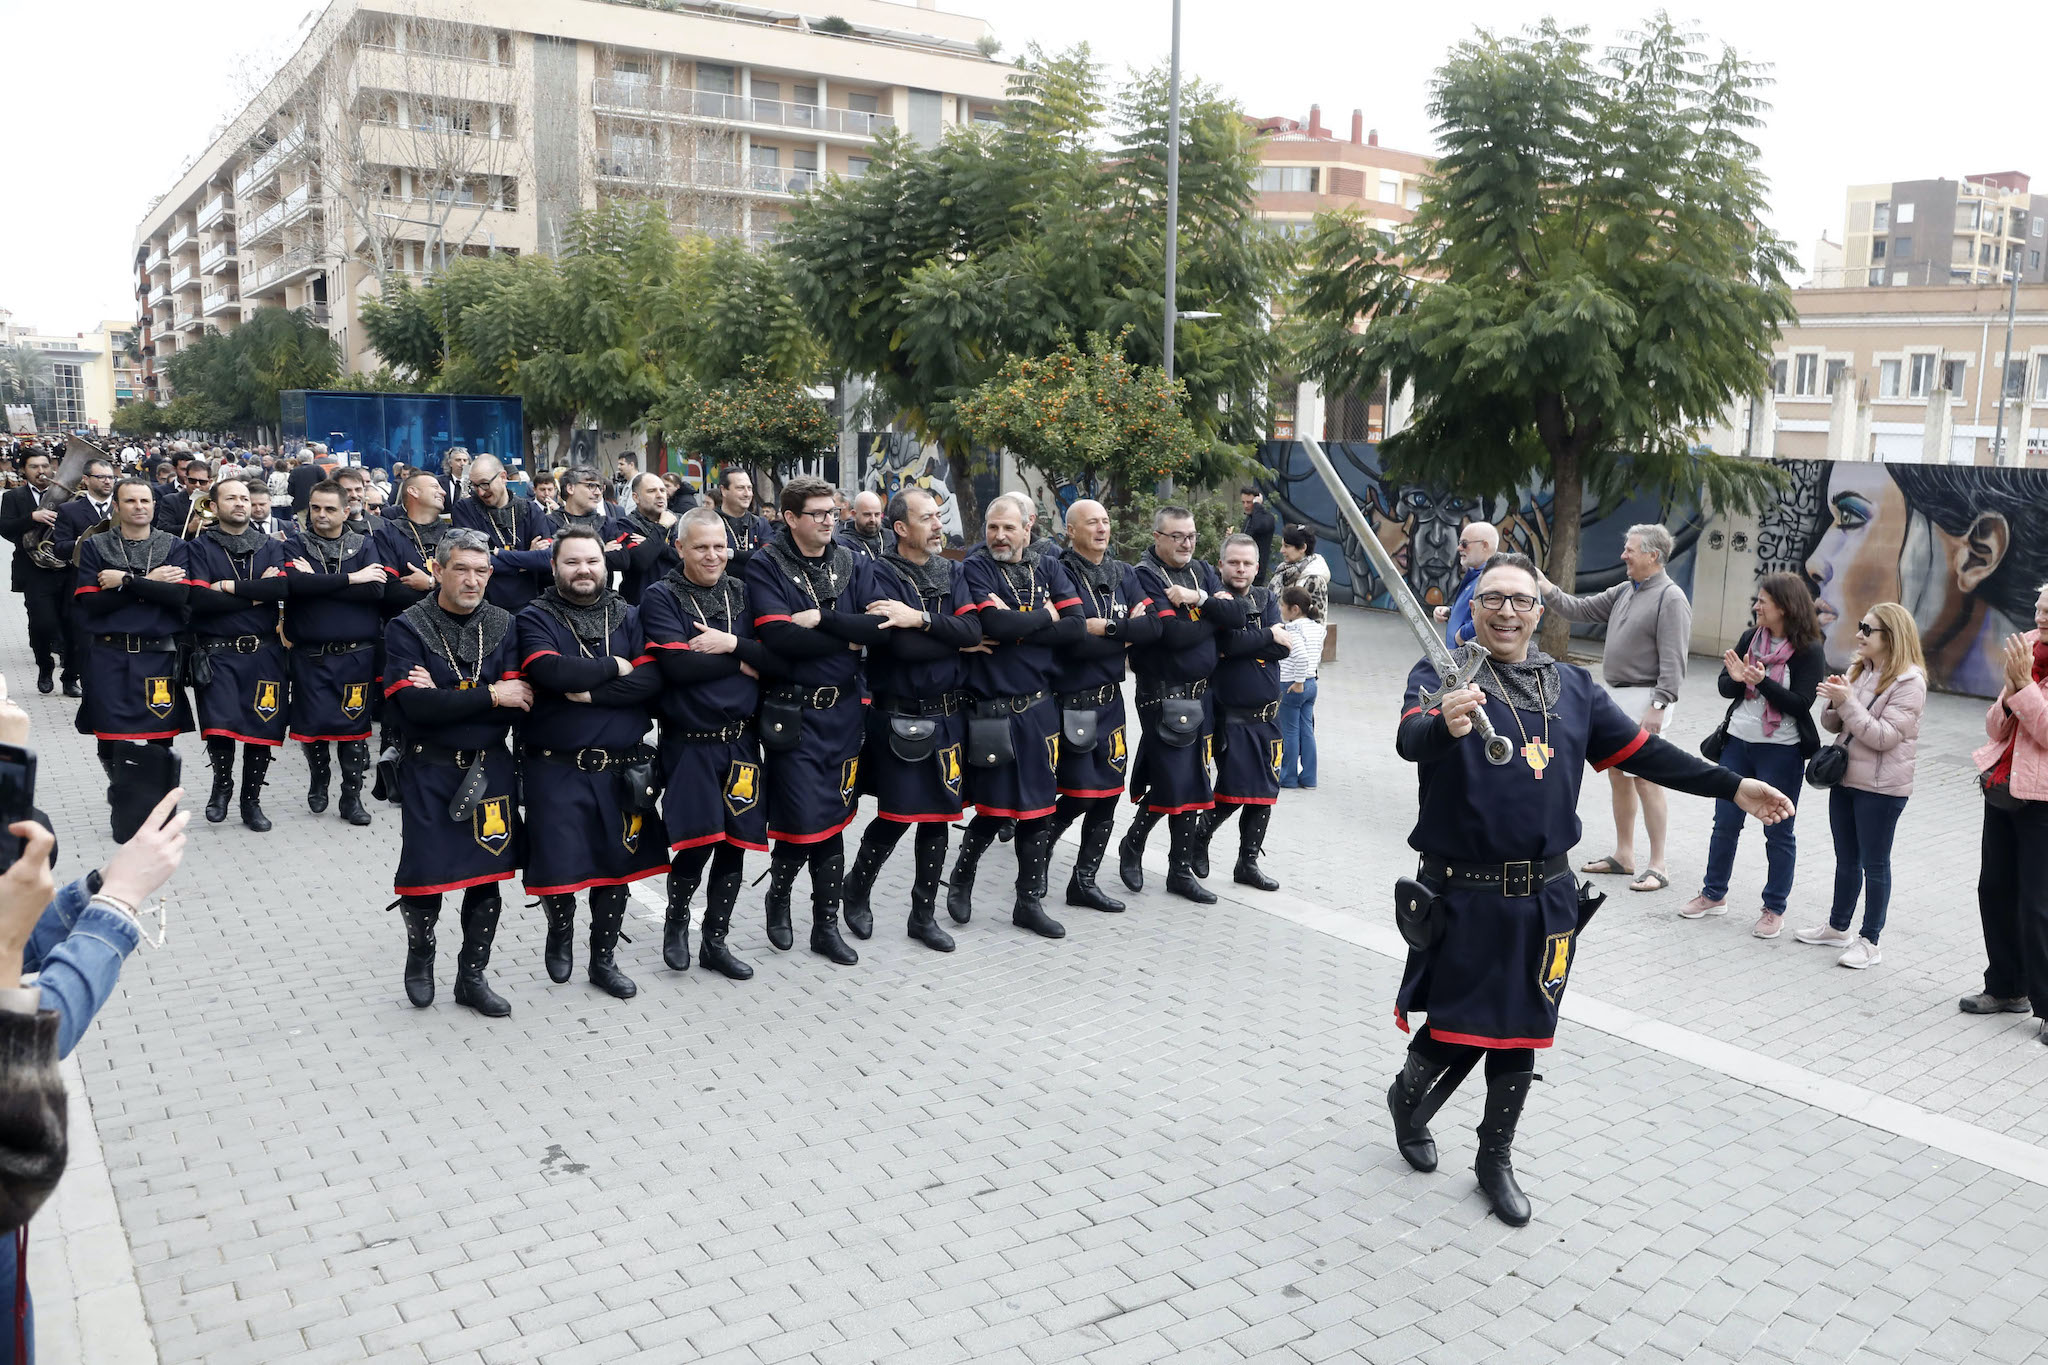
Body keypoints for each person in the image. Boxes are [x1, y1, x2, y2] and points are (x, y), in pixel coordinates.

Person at [1389, 552, 1793, 1224]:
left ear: (1539, 611)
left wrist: (1734, 784)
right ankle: (1407, 1097)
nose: (1508, 611)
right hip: (1464, 892)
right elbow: (1409, 739)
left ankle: (1495, 1157)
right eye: (1493, 598)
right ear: (1475, 607)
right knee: (1457, 1025)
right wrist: (1444, 723)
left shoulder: (1572, 689)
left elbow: (1644, 754)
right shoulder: (1442, 672)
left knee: (1522, 1031)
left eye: (1521, 600)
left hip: (1545, 896)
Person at [383, 530, 533, 1017]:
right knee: (425, 877)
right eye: (462, 569)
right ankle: (421, 956)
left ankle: (472, 976)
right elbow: (412, 707)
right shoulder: (407, 626)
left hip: (491, 768)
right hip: (429, 769)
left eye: (481, 570)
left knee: (486, 877)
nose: (472, 580)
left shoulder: (505, 624)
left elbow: (521, 705)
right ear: (440, 568)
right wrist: (490, 694)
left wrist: (446, 694)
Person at [744, 476, 889, 965]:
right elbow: (778, 638)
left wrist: (823, 620)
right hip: (795, 713)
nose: (831, 520)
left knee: (836, 819)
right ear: (790, 518)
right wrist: (847, 638)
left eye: (834, 512)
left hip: (845, 712)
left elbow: (879, 627)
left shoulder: (852, 560)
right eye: (819, 513)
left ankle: (825, 925)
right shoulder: (766, 564)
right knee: (805, 820)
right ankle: (779, 896)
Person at [516, 530, 666, 999]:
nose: (584, 570)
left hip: (621, 767)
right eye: (573, 562)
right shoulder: (532, 617)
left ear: (606, 565)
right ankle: (560, 931)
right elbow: (551, 672)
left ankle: (604, 960)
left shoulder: (631, 614)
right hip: (556, 765)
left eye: (592, 561)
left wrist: (592, 692)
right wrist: (617, 667)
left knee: (615, 867)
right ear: (553, 566)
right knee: (559, 864)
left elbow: (654, 678)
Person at [840, 487, 983, 950]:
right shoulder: (876, 573)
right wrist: (949, 637)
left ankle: (923, 916)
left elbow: (972, 630)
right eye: (927, 518)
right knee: (897, 815)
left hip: (949, 718)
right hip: (898, 714)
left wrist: (920, 620)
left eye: (938, 517)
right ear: (900, 528)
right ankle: (856, 888)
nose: (939, 525)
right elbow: (896, 646)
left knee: (940, 815)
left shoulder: (954, 571)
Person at [640, 509, 776, 980]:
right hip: (689, 745)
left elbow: (775, 656)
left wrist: (730, 646)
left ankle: (715, 941)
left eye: (720, 546)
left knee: (735, 845)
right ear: (680, 549)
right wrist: (741, 658)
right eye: (701, 547)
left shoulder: (743, 591)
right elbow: (677, 667)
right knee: (698, 843)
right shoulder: (659, 596)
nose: (713, 555)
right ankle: (676, 924)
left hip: (740, 744)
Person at [1537, 524, 1692, 894]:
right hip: (1618, 697)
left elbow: (1675, 660)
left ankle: (1658, 864)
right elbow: (1579, 608)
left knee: (1646, 777)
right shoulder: (1626, 589)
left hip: (1646, 700)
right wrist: (1545, 587)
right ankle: (1625, 855)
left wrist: (1659, 704)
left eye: (1630, 549)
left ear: (1653, 556)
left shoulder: (1670, 598)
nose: (1623, 554)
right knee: (1617, 775)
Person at [1682, 573, 1827, 937]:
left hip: (1781, 751)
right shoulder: (1752, 638)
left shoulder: (1808, 649)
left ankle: (1774, 908)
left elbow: (1801, 703)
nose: (1756, 606)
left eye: (1763, 601)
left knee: (1778, 831)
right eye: (1757, 600)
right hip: (1737, 744)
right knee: (1725, 823)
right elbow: (1725, 687)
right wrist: (1736, 678)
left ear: (1785, 606)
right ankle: (1713, 894)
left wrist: (1761, 681)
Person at [1119, 505, 1247, 902]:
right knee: (1177, 780)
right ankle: (1138, 846)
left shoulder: (1201, 572)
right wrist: (1212, 614)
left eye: (1191, 536)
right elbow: (1170, 634)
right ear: (1157, 537)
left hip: (1201, 696)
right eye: (1177, 536)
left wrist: (1197, 599)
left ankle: (1176, 868)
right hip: (1163, 696)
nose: (1186, 543)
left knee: (1191, 780)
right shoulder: (1142, 575)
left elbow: (1239, 614)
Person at [1797, 602, 1926, 969]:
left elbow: (1883, 736)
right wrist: (1834, 702)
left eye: (1867, 630)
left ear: (1892, 636)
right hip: (1847, 778)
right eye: (1860, 626)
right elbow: (1839, 727)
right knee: (1846, 859)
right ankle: (1838, 927)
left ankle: (1870, 940)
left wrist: (1848, 702)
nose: (1859, 635)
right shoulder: (1861, 669)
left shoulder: (1909, 682)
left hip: (1882, 788)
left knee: (1875, 864)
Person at [1043, 500, 1157, 913]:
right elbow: (1070, 638)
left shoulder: (1125, 573)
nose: (1102, 528)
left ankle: (1084, 882)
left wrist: (1108, 628)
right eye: (1092, 522)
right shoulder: (1057, 571)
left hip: (1110, 703)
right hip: (1068, 703)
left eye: (1106, 521)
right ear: (1071, 531)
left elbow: (1153, 628)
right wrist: (1119, 639)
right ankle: (1038, 860)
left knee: (1107, 794)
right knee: (1074, 794)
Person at [73, 478, 192, 832]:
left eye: (145, 500)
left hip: (157, 656)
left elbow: (179, 598)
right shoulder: (95, 546)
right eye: (130, 501)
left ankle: (158, 810)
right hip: (110, 655)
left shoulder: (174, 545)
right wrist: (152, 584)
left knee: (159, 739)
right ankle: (123, 798)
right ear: (117, 506)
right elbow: (92, 603)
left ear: (154, 505)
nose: (139, 506)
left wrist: (127, 582)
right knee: (110, 737)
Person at [182, 477, 295, 831]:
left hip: (265, 651)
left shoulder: (271, 545)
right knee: (221, 727)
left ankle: (251, 800)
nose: (240, 504)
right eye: (230, 498)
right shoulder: (200, 547)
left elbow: (282, 587)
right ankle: (221, 788)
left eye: (244, 498)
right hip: (218, 652)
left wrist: (229, 590)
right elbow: (199, 600)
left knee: (262, 725)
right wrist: (256, 593)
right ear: (214, 507)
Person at [1966, 583, 2048, 1029]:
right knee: (1993, 890)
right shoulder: (2026, 649)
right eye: (2038, 608)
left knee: (2039, 905)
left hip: (2044, 801)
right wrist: (2013, 691)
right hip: (2004, 786)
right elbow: (1995, 727)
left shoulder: (2026, 665)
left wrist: (2022, 687)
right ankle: (2005, 986)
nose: (2041, 617)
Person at [286, 480, 391, 824]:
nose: (321, 515)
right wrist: (351, 579)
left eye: (330, 508)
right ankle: (320, 779)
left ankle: (352, 797)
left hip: (356, 654)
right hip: (311, 654)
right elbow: (295, 586)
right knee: (314, 725)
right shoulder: (296, 544)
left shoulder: (365, 544)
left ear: (347, 511)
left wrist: (319, 583)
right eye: (315, 508)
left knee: (355, 726)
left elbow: (376, 590)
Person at [1201, 534, 1294, 890]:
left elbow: (1282, 649)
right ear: (1221, 565)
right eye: (1234, 562)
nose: (1241, 569)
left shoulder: (1266, 597)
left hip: (1268, 717)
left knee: (1265, 794)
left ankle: (1247, 863)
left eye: (1248, 563)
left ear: (1257, 567)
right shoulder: (1217, 600)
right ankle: (1199, 838)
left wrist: (1256, 641)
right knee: (1234, 790)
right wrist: (1266, 637)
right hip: (1232, 718)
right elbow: (1225, 643)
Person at [0, 449, 74, 694]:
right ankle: (45, 665)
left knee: (71, 622)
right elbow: (5, 528)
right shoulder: (14, 496)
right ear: (23, 470)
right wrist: (33, 517)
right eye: (34, 466)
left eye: (45, 466)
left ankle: (71, 677)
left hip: (66, 567)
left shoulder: (67, 495)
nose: (41, 471)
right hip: (33, 569)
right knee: (42, 624)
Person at [451, 455, 555, 613]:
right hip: (484, 606)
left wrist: (500, 554)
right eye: (475, 485)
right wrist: (527, 558)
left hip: (528, 605)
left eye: (485, 484)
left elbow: (546, 559)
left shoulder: (530, 510)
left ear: (503, 477)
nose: (480, 492)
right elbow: (474, 560)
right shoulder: (465, 509)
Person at [1278, 587, 1325, 791]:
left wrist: (1297, 681)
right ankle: (1309, 778)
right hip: (1311, 683)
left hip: (1292, 684)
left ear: (1294, 609)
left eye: (1282, 605)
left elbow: (1301, 656)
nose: (1280, 609)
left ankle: (1287, 777)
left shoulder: (1294, 630)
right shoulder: (1317, 627)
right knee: (1307, 731)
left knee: (1289, 731)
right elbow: (1315, 656)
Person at [1432, 522, 1499, 647]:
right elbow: (1472, 610)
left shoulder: (1492, 578)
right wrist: (1449, 611)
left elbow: (1491, 616)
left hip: (1465, 660)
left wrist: (1463, 634)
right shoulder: (1478, 574)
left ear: (1484, 545)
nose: (1459, 548)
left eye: (1464, 543)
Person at [618, 472, 680, 604]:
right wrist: (662, 527)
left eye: (662, 490)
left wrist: (654, 545)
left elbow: (689, 560)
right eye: (652, 491)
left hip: (675, 602)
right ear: (636, 497)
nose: (659, 495)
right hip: (641, 603)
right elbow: (641, 561)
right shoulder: (626, 524)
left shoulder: (679, 523)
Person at [714, 468, 775, 575]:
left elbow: (769, 557)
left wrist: (732, 554)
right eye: (740, 488)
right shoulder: (709, 522)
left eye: (750, 488)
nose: (747, 494)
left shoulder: (760, 524)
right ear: (723, 490)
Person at [1239, 486, 1278, 585]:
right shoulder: (1249, 519)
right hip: (1242, 571)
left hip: (1256, 575)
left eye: (1249, 502)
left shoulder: (1268, 518)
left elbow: (1258, 527)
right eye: (1243, 502)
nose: (1246, 505)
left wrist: (1257, 505)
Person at [835, 489, 890, 561]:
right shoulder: (843, 544)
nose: (873, 519)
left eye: (877, 514)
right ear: (854, 514)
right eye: (867, 514)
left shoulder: (892, 539)